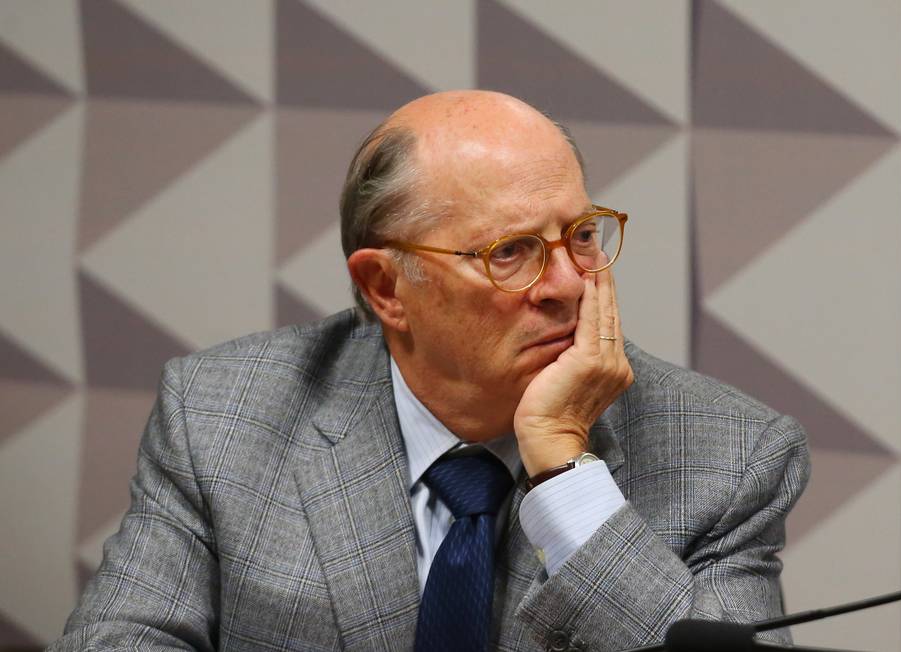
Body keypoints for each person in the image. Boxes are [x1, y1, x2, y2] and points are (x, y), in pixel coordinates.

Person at [52, 91, 810, 651]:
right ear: (387, 288)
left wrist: (566, 471)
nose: (570, 285)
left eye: (579, 234)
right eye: (509, 252)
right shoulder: (222, 417)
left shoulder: (730, 456)